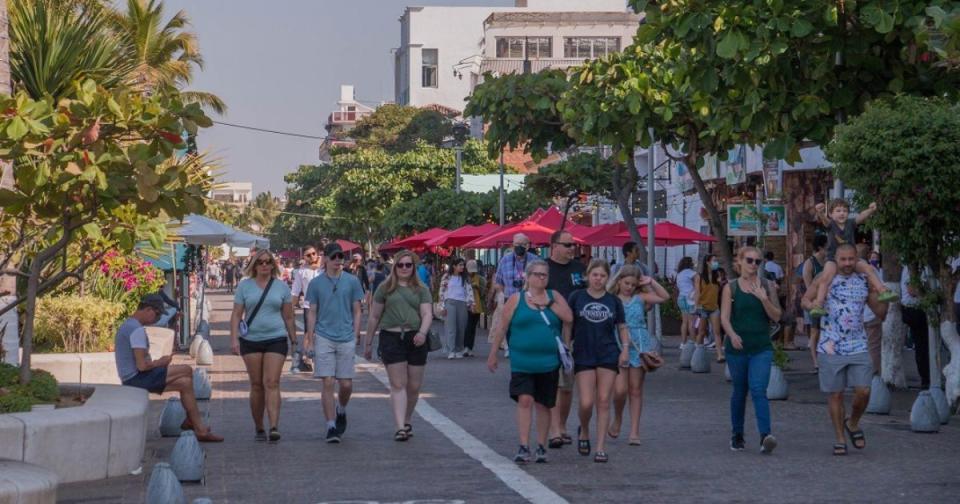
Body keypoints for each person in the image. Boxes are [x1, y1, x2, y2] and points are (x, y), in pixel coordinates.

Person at [487, 259, 573, 464]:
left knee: (544, 404)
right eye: (537, 274)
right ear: (528, 276)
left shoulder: (554, 296)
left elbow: (569, 318)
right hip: (522, 360)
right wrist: (493, 354)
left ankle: (541, 445)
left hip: (548, 361)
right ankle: (524, 445)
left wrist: (548, 303)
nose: (541, 278)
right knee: (525, 399)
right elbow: (502, 327)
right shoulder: (516, 299)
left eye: (545, 275)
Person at [115, 294, 223, 442]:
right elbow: (142, 366)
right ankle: (192, 421)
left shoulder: (129, 325)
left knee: (185, 384)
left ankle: (199, 428)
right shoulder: (137, 330)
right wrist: (161, 362)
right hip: (137, 378)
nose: (157, 319)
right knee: (186, 370)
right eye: (157, 314)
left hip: (132, 377)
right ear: (148, 310)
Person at [813, 244, 887, 455]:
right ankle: (839, 438)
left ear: (857, 259)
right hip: (830, 345)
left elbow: (880, 313)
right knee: (835, 395)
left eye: (851, 259)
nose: (847, 264)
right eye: (843, 259)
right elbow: (806, 300)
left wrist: (886, 297)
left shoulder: (864, 280)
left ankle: (853, 423)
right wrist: (816, 308)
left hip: (858, 345)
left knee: (864, 391)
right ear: (835, 259)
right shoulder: (825, 279)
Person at [364, 250, 433, 441]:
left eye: (408, 265)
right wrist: (368, 342)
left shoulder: (422, 289)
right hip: (391, 337)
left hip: (416, 338)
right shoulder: (385, 288)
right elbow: (374, 316)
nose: (404, 268)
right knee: (398, 384)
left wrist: (422, 332)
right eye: (400, 265)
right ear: (395, 267)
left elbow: (427, 314)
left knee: (414, 386)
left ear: (413, 267)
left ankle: (407, 418)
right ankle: (400, 426)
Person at [230, 249, 296, 442]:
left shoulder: (282, 287)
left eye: (268, 262)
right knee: (257, 385)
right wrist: (234, 339)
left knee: (272, 382)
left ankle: (274, 426)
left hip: (276, 338)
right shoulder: (245, 287)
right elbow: (236, 315)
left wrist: (294, 341)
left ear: (273, 265)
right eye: (261, 262)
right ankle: (259, 426)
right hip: (251, 340)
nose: (265, 265)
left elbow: (289, 316)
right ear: (254, 265)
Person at [720, 246, 782, 454]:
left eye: (757, 261)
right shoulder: (731, 287)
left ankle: (765, 435)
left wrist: (764, 298)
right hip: (737, 348)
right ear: (739, 262)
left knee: (758, 389)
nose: (753, 265)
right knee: (739, 391)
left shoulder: (766, 285)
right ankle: (737, 434)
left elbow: (776, 316)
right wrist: (732, 334)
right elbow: (724, 318)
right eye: (749, 260)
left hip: (761, 346)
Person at [568, 259, 630, 463]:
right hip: (583, 352)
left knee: (604, 400)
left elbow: (621, 326)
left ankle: (601, 446)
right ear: (588, 275)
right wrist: (566, 346)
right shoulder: (577, 297)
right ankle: (584, 428)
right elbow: (568, 324)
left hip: (607, 352)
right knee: (586, 402)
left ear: (607, 278)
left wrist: (625, 349)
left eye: (602, 276)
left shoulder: (614, 301)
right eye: (595, 275)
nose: (598, 279)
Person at [304, 242, 364, 443]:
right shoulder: (316, 283)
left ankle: (342, 409)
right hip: (323, 336)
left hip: (346, 336)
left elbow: (357, 309)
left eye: (341, 257)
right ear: (326, 259)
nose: (338, 260)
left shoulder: (352, 281)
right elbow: (312, 311)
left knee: (346, 384)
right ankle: (330, 426)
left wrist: (356, 333)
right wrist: (309, 337)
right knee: (328, 381)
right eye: (334, 257)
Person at [608, 265, 669, 445]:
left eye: (633, 284)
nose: (629, 287)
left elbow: (664, 297)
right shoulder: (611, 299)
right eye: (626, 283)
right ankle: (618, 416)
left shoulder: (640, 298)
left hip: (639, 345)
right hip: (618, 343)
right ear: (618, 281)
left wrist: (651, 281)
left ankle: (634, 431)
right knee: (620, 390)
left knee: (636, 389)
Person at [810, 200, 898, 317]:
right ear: (831, 214)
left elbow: (861, 216)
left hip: (852, 258)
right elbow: (824, 221)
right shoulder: (831, 225)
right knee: (825, 278)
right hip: (833, 258)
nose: (842, 213)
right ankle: (819, 304)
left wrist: (871, 210)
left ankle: (882, 290)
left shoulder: (851, 223)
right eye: (838, 211)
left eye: (845, 211)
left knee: (868, 269)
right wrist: (820, 212)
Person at [544, 230, 585, 449]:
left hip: (577, 333)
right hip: (550, 332)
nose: (572, 249)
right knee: (553, 382)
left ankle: (562, 424)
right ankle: (554, 430)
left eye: (573, 245)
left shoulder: (579, 269)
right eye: (567, 245)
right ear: (554, 246)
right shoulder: (544, 269)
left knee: (567, 386)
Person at [491, 233, 540, 357]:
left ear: (527, 246)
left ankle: (527, 348)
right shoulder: (505, 260)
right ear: (513, 245)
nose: (519, 247)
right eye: (517, 244)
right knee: (510, 325)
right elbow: (498, 282)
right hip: (510, 298)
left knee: (528, 324)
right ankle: (511, 347)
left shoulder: (535, 261)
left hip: (530, 299)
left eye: (522, 245)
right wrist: (505, 292)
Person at [290, 246, 323, 374]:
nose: (312, 256)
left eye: (314, 253)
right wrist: (291, 308)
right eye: (308, 255)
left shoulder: (324, 269)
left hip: (325, 305)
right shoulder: (301, 272)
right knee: (308, 333)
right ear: (304, 257)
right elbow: (295, 291)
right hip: (309, 306)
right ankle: (307, 360)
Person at [900, 264, 931, 390]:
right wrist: (930, 294)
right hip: (915, 310)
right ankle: (926, 379)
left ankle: (927, 377)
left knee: (924, 345)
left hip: (919, 308)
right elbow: (912, 290)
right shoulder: (911, 267)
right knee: (922, 345)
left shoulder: (921, 267)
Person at [438, 257, 475, 359]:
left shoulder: (465, 278)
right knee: (451, 327)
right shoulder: (446, 276)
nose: (462, 267)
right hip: (450, 302)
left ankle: (459, 349)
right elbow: (441, 291)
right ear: (454, 266)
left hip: (462, 303)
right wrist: (441, 306)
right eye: (460, 265)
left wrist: (471, 304)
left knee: (461, 327)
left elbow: (469, 291)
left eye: (463, 265)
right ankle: (451, 350)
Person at [694, 254, 725, 362]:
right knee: (701, 332)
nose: (716, 263)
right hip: (703, 307)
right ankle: (696, 355)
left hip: (714, 307)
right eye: (714, 260)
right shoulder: (700, 276)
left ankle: (720, 355)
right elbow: (697, 292)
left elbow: (718, 290)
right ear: (707, 262)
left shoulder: (718, 275)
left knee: (717, 332)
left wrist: (721, 282)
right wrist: (696, 306)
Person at [464, 259, 487, 357]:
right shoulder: (463, 278)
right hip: (465, 306)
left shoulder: (481, 279)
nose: (471, 273)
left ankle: (469, 348)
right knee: (466, 327)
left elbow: (483, 293)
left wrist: (477, 288)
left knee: (472, 327)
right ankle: (465, 347)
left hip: (476, 306)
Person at [675, 257, 697, 346]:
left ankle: (683, 343)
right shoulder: (691, 272)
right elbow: (699, 282)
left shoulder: (679, 274)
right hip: (690, 299)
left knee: (684, 322)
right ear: (690, 264)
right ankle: (694, 342)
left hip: (681, 298)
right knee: (692, 322)